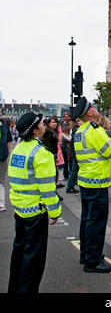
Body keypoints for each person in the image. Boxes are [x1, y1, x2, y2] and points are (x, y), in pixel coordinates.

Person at [7, 112, 61, 293]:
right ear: (35, 131)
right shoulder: (41, 153)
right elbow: (47, 189)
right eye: (41, 124)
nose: (44, 126)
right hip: (36, 214)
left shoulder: (17, 150)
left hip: (20, 210)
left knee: (19, 253)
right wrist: (54, 212)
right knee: (33, 261)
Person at [73, 97, 111, 274]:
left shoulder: (79, 131)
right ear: (89, 113)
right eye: (93, 107)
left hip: (85, 181)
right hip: (97, 182)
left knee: (87, 220)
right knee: (96, 222)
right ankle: (93, 261)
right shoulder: (94, 130)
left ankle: (86, 254)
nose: (95, 108)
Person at [42, 116, 64, 201]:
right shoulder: (48, 132)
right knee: (53, 174)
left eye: (55, 122)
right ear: (48, 123)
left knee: (55, 174)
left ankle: (54, 192)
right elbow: (47, 144)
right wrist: (53, 155)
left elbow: (59, 140)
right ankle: (53, 193)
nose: (54, 124)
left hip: (53, 154)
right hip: (51, 154)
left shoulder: (52, 131)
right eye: (52, 122)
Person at [65, 118, 82, 194]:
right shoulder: (77, 130)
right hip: (76, 153)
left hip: (75, 153)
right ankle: (70, 187)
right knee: (74, 170)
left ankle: (71, 186)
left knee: (75, 170)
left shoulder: (75, 130)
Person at [0, 111, 13, 212]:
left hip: (2, 157)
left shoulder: (4, 126)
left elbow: (9, 140)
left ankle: (1, 203)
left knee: (1, 181)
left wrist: (7, 153)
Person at [61, 112, 71, 180]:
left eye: (67, 117)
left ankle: (70, 175)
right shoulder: (62, 124)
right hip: (62, 144)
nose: (66, 118)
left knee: (69, 161)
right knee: (64, 161)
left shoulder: (71, 124)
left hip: (68, 145)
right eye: (65, 117)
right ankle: (65, 175)